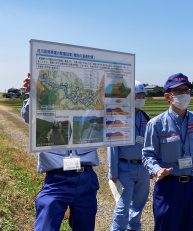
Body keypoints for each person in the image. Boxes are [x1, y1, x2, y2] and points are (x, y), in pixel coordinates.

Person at [21, 73, 100, 231]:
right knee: (45, 227)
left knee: (85, 227)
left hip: (86, 176)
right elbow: (28, 116)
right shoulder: (46, 104)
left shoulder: (88, 106)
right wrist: (34, 93)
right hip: (57, 178)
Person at [142, 73, 193, 231]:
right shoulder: (156, 124)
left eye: (187, 90)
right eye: (179, 91)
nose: (184, 94)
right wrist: (157, 170)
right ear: (168, 96)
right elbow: (148, 155)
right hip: (168, 187)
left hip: (192, 186)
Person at [108, 81, 151, 231]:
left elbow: (151, 145)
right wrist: (112, 173)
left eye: (143, 95)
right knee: (122, 207)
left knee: (138, 207)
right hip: (124, 167)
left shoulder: (146, 118)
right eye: (138, 95)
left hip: (143, 169)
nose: (141, 98)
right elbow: (113, 146)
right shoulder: (119, 117)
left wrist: (152, 168)